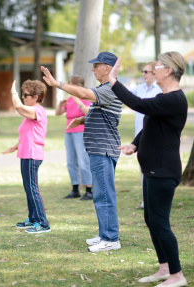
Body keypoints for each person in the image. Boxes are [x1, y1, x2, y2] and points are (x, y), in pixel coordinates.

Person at [109, 51, 188, 287]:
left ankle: (177, 275)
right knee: (151, 218)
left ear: (170, 71)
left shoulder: (173, 99)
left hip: (163, 171)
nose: (154, 69)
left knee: (160, 222)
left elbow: (139, 104)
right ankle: (164, 268)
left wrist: (114, 80)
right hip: (154, 169)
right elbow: (150, 124)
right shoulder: (164, 97)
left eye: (159, 66)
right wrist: (135, 143)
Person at [41, 51, 123, 252]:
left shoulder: (111, 88)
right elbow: (104, 114)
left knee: (104, 195)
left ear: (107, 68)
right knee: (100, 194)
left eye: (96, 65)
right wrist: (83, 119)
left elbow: (85, 95)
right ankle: (105, 234)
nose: (93, 69)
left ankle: (111, 239)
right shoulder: (105, 88)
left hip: (103, 149)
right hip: (98, 148)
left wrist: (57, 84)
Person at [3, 79, 51, 234]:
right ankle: (32, 218)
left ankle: (43, 223)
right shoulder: (30, 113)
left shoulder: (38, 111)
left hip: (32, 155)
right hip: (25, 154)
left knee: (32, 188)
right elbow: (27, 134)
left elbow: (17, 106)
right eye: (22, 94)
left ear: (36, 97)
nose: (23, 97)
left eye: (26, 95)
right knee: (28, 188)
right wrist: (15, 146)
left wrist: (13, 92)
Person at [55, 75, 92, 200]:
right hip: (69, 131)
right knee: (71, 160)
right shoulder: (69, 99)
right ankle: (75, 188)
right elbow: (58, 113)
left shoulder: (85, 97)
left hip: (80, 131)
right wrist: (60, 105)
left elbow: (88, 112)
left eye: (70, 84)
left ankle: (89, 189)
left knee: (83, 160)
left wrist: (77, 100)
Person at [132, 61, 162, 209]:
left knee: (155, 170)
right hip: (140, 136)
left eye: (146, 72)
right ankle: (145, 202)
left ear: (155, 73)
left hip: (155, 137)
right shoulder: (139, 89)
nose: (143, 74)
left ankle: (156, 201)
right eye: (142, 71)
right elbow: (125, 96)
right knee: (143, 170)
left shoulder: (160, 91)